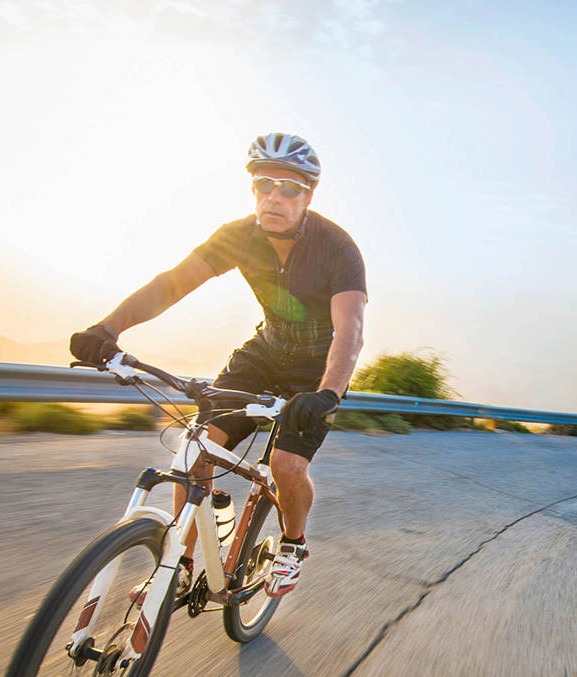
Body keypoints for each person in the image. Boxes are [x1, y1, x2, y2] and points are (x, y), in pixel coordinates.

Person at [70, 132, 366, 596]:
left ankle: (292, 543)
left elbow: (349, 331)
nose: (275, 195)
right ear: (252, 189)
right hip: (265, 353)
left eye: (289, 187)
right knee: (195, 448)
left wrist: (327, 394)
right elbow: (170, 285)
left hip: (317, 369)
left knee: (287, 465)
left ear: (308, 195)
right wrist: (108, 329)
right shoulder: (237, 237)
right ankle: (180, 564)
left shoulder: (337, 248)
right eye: (264, 183)